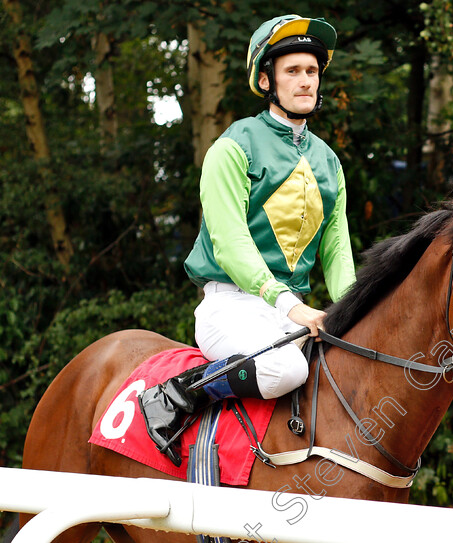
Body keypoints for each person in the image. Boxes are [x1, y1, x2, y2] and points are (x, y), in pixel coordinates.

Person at [139, 14, 356, 466]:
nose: (305, 82)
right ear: (266, 80)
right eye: (292, 71)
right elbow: (231, 243)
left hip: (293, 315)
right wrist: (289, 304)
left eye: (312, 71)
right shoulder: (233, 146)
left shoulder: (329, 162)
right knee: (287, 368)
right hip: (231, 306)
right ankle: (181, 393)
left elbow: (337, 251)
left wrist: (357, 307)